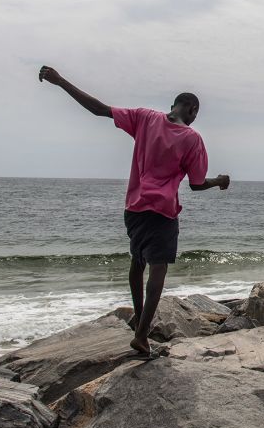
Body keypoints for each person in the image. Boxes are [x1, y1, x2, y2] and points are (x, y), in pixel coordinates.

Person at [38, 65, 229, 356]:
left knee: (137, 262)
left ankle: (139, 319)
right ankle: (141, 335)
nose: (193, 119)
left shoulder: (145, 118)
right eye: (195, 114)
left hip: (134, 208)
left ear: (172, 106)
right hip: (162, 213)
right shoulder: (192, 139)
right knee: (158, 269)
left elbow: (99, 109)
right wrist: (219, 181)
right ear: (191, 108)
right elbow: (197, 184)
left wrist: (61, 81)